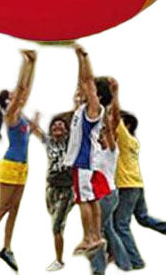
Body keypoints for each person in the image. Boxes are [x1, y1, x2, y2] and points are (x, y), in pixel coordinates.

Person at [0, 50, 37, 271]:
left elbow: (25, 90)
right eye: (12, 95)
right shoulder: (10, 115)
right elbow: (22, 88)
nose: (17, 95)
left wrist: (33, 63)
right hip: (10, 166)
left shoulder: (20, 116)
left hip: (22, 167)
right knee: (3, 206)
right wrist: (26, 62)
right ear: (7, 102)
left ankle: (7, 248)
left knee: (15, 208)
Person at [113, 109, 166, 270]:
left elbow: (115, 118)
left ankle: (136, 261)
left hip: (127, 186)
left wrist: (111, 101)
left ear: (127, 126)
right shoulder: (133, 142)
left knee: (121, 224)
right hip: (137, 185)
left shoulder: (124, 139)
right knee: (142, 217)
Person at [64, 45, 109, 256]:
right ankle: (96, 236)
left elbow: (88, 81)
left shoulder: (94, 109)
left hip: (83, 161)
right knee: (91, 199)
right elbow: (82, 82)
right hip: (87, 161)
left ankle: (89, 237)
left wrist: (84, 56)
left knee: (83, 200)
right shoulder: (83, 109)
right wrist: (79, 60)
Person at [88, 77, 132, 275]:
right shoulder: (97, 151)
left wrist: (114, 95)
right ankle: (125, 263)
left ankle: (99, 269)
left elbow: (111, 121)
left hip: (106, 196)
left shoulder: (112, 150)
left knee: (95, 232)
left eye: (105, 135)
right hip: (101, 194)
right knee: (108, 230)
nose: (102, 137)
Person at [31, 112, 75, 272]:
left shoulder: (70, 142)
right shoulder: (48, 142)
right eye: (54, 125)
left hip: (66, 188)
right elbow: (34, 129)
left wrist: (76, 108)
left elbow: (76, 125)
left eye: (60, 125)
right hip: (50, 187)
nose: (57, 126)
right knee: (55, 221)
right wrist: (36, 116)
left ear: (66, 130)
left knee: (56, 226)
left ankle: (59, 260)